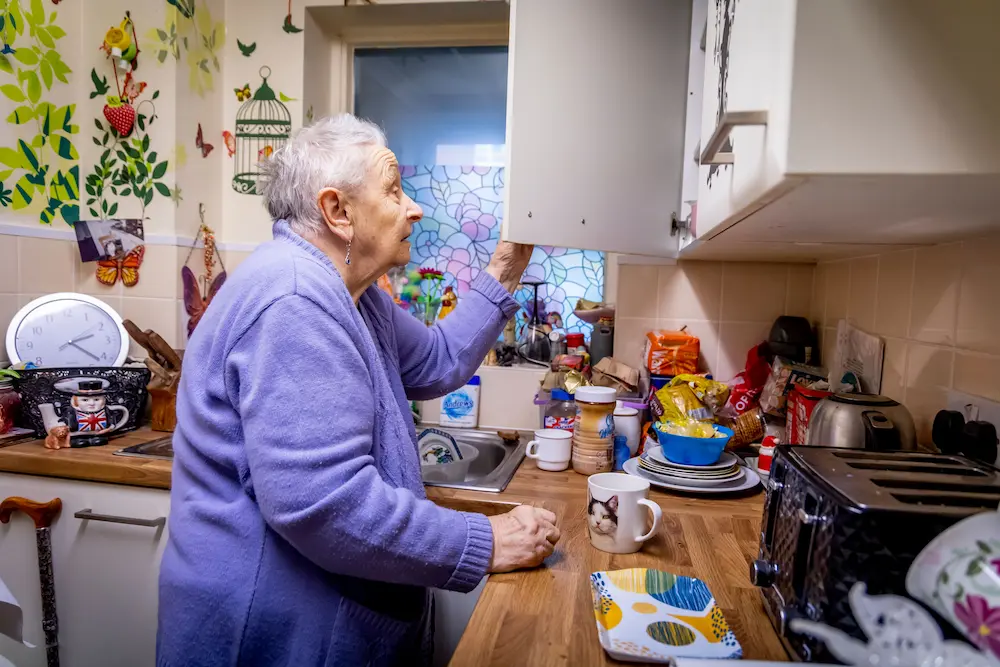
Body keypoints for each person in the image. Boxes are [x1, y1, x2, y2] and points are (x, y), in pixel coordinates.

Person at [157, 114, 560, 667]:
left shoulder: (355, 294)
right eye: (393, 190)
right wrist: (487, 541)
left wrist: (508, 264)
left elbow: (438, 361)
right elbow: (328, 505)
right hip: (265, 632)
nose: (413, 207)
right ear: (338, 212)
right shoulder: (295, 300)